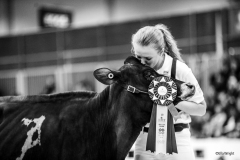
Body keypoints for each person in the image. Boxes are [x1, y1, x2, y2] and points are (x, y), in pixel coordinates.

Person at [131, 24, 207, 160]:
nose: (142, 63)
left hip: (178, 141)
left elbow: (201, 109)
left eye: (148, 59)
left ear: (161, 51)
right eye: (138, 57)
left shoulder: (180, 70)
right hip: (144, 140)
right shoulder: (133, 72)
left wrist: (171, 100)